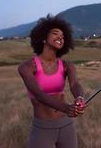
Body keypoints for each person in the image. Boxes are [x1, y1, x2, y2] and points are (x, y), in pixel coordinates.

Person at [18, 14, 86, 148]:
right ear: (43, 37)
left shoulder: (67, 65)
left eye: (63, 36)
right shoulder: (27, 67)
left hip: (66, 126)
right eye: (55, 33)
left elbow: (74, 84)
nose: (60, 37)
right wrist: (67, 108)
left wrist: (79, 97)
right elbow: (39, 94)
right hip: (42, 128)